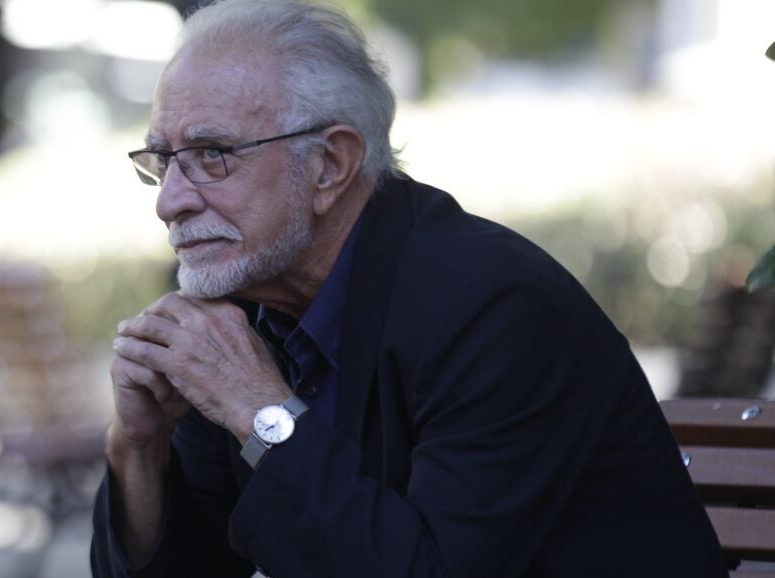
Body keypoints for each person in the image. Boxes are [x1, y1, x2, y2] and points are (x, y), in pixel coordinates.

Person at [91, 1, 729, 576]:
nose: (169, 202)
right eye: (163, 160)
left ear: (330, 165)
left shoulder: (496, 308)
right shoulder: (240, 309)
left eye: (212, 155)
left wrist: (261, 410)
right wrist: (138, 447)